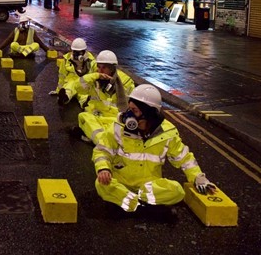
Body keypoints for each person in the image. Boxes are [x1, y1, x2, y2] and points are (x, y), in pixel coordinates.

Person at [92, 84, 218, 218]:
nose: (128, 114)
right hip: (121, 182)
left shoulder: (167, 132)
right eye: (129, 108)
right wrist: (103, 169)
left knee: (177, 191)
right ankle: (144, 209)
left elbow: (184, 158)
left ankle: (129, 205)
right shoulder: (119, 127)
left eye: (134, 110)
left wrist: (198, 177)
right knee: (101, 184)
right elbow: (102, 151)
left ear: (148, 112)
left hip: (148, 186)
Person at [74, 50, 136, 143]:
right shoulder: (94, 79)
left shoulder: (126, 82)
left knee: (115, 130)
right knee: (83, 116)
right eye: (98, 67)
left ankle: (96, 141)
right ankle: (103, 142)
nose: (100, 71)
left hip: (114, 119)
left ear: (112, 69)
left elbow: (132, 105)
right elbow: (78, 87)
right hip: (96, 117)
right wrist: (94, 76)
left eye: (104, 68)